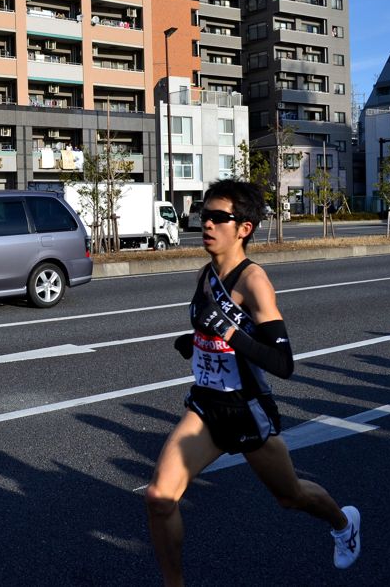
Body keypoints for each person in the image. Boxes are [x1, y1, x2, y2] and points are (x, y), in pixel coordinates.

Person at [145, 179, 360, 586]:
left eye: (218, 218)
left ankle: (343, 523)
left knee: (289, 495)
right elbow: (211, 330)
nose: (206, 224)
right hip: (207, 406)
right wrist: (194, 341)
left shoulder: (254, 281)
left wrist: (228, 335)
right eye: (203, 215)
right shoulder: (207, 274)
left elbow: (282, 362)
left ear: (243, 228)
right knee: (159, 498)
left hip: (246, 409)